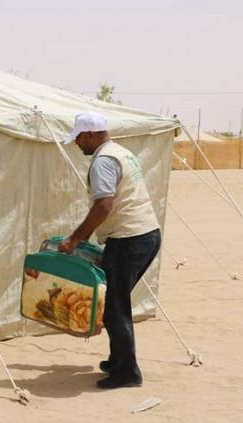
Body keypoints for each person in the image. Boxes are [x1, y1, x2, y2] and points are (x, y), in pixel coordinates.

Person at [58, 112, 161, 389]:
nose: (78, 144)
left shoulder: (103, 160)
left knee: (115, 307)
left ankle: (127, 372)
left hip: (129, 238)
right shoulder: (121, 152)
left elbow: (104, 205)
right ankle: (118, 360)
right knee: (116, 302)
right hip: (146, 233)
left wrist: (75, 239)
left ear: (90, 134)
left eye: (79, 138)